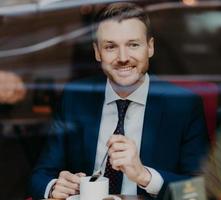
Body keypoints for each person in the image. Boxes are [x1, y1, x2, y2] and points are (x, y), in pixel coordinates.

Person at [29, 2, 209, 199]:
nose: (123, 57)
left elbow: (198, 190)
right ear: (97, 52)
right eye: (110, 46)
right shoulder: (75, 96)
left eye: (133, 44)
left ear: (150, 47)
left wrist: (145, 176)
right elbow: (40, 175)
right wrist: (54, 187)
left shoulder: (184, 105)